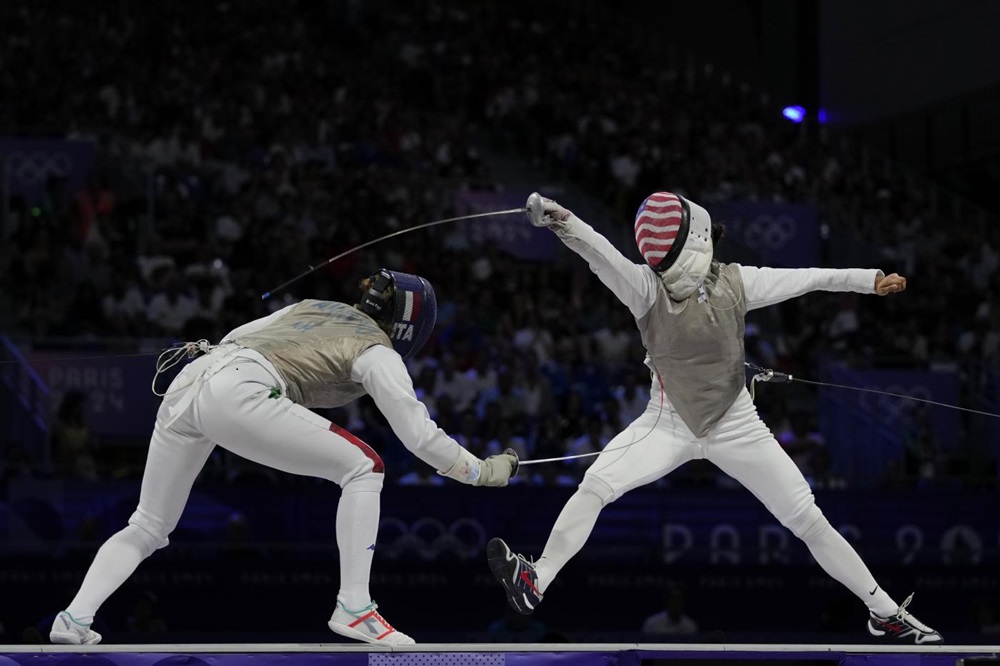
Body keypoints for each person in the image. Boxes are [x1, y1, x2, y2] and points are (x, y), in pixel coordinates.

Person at [487, 192, 942, 644]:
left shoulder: (737, 282)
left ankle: (884, 612)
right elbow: (599, 253)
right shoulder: (646, 290)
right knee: (596, 486)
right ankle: (537, 580)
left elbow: (807, 278)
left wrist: (868, 279)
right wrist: (561, 219)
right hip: (665, 423)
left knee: (807, 518)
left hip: (736, 425)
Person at [50, 269, 519, 647]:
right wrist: (480, 471)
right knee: (364, 466)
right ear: (409, 325)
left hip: (190, 381)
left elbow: (239, 335)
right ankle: (355, 608)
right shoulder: (377, 352)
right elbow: (417, 435)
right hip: (237, 388)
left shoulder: (313, 308)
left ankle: (73, 619)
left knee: (148, 525)